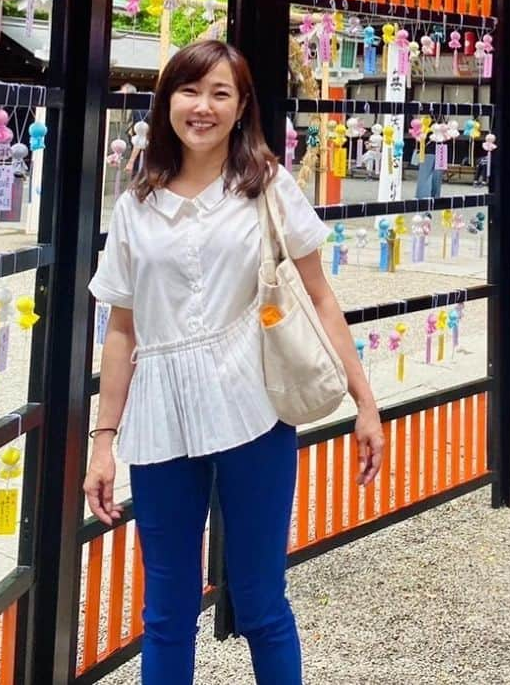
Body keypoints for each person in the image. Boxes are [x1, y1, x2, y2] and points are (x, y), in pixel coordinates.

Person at [83, 41, 384, 685]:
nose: (203, 107)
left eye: (221, 93)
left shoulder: (267, 187)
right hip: (161, 416)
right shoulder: (136, 204)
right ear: (167, 102)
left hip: (255, 408)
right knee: (166, 611)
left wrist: (365, 401)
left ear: (242, 106)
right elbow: (121, 330)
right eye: (190, 91)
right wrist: (103, 441)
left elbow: (321, 298)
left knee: (260, 601)